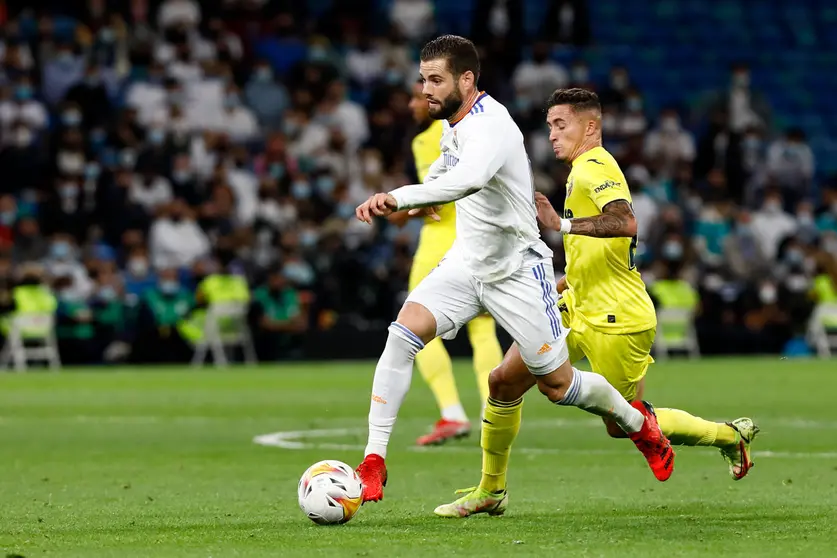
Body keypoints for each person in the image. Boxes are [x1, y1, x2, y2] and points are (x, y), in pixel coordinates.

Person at [353, 36, 673, 506]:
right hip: (467, 263)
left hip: (519, 271)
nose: (426, 89)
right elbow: (446, 172)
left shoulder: (493, 126)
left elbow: (469, 180)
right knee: (402, 335)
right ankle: (373, 463)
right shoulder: (453, 125)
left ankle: (636, 423)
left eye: (436, 79)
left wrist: (399, 197)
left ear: (466, 79)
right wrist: (424, 197)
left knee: (559, 386)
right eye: (423, 79)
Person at [435, 89, 759, 518]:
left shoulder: (596, 166)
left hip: (618, 318)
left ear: (590, 127)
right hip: (576, 305)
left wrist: (560, 223)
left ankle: (729, 436)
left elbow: (625, 221)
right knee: (503, 382)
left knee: (623, 422)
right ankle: (491, 490)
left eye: (561, 124)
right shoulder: (578, 173)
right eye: (549, 125)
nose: (551, 135)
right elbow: (594, 252)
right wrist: (557, 285)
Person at [388, 79, 504, 446]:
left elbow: (441, 196)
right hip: (477, 237)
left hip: (440, 243)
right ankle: (492, 411)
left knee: (411, 329)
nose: (411, 105)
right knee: (482, 330)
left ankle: (452, 413)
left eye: (416, 97)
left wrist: (406, 208)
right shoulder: (467, 125)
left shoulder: (436, 136)